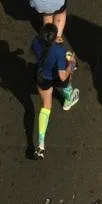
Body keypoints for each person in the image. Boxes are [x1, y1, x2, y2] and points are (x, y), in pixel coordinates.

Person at [30, 22, 79, 159]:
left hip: (42, 78)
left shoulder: (36, 42)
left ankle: (41, 143)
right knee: (67, 79)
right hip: (55, 77)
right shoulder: (59, 51)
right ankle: (68, 99)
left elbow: (36, 50)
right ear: (54, 38)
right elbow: (62, 75)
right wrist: (71, 64)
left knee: (46, 107)